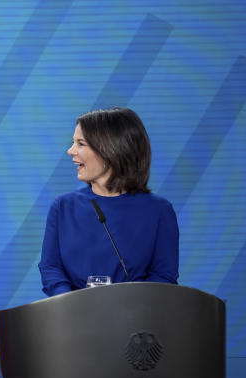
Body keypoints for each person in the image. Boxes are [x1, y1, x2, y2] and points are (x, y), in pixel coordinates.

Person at [39, 106, 179, 296]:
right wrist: (68, 303)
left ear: (110, 149)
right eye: (73, 143)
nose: (70, 151)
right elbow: (50, 267)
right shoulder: (63, 207)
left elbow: (164, 275)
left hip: (135, 321)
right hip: (73, 319)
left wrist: (129, 308)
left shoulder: (159, 211)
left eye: (80, 144)